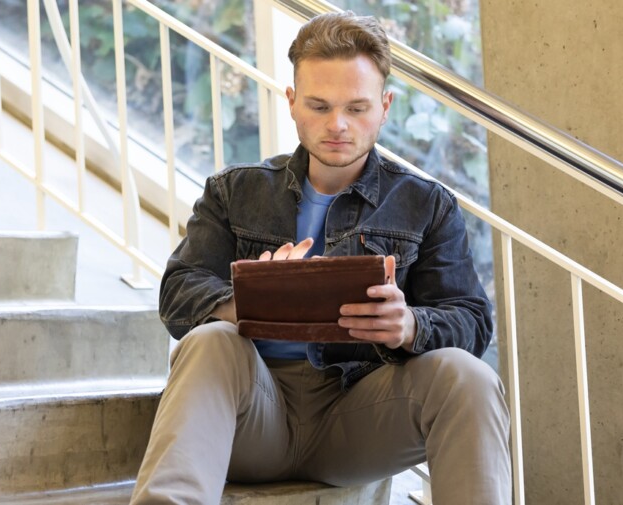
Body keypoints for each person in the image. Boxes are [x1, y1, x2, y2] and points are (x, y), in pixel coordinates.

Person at [131, 11, 510, 505]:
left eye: (357, 108)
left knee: (470, 378)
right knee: (211, 340)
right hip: (252, 416)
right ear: (291, 103)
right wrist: (245, 303)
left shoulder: (427, 205)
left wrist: (409, 325)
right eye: (318, 105)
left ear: (385, 107)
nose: (337, 125)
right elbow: (177, 295)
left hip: (356, 419)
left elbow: (471, 321)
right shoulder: (234, 191)